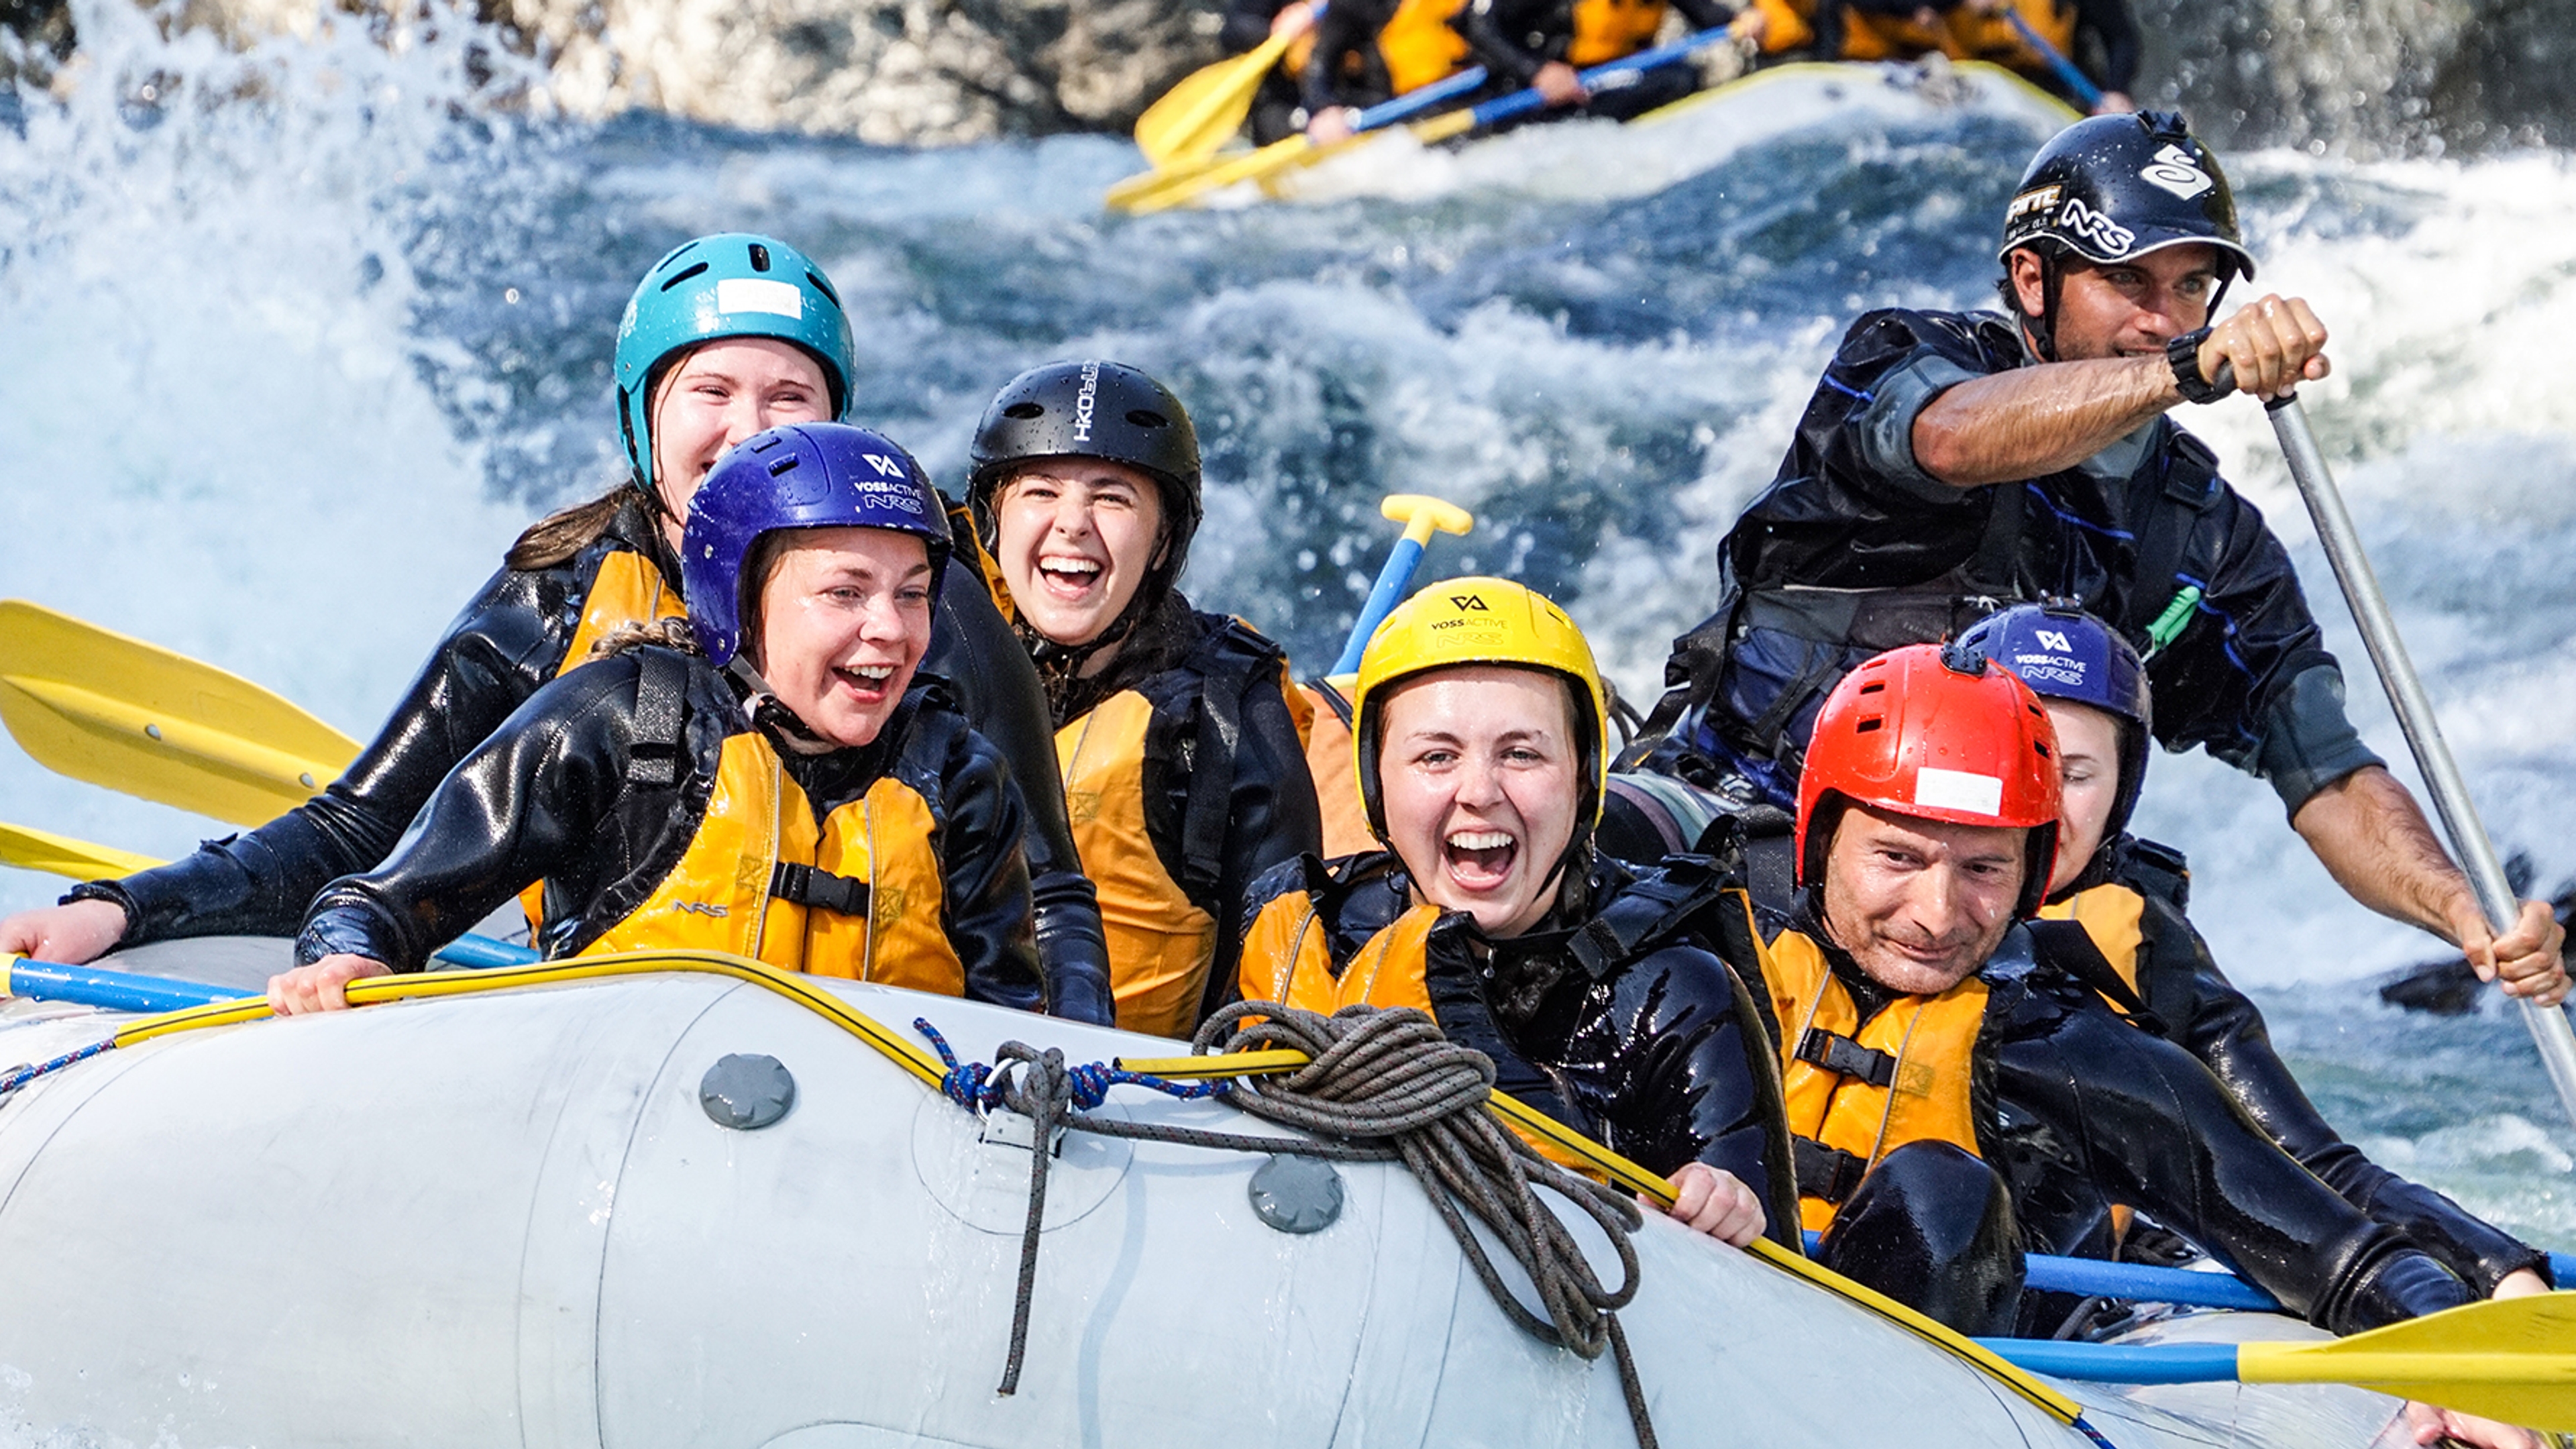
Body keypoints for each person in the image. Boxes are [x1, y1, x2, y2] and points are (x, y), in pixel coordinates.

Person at [1, 234, 1112, 1024]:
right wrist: (123, 908)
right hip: (600, 1016)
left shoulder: (926, 598)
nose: (747, 429)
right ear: (646, 416)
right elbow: (361, 833)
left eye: (791, 399)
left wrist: (1087, 1079)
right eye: (711, 391)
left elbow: (1049, 894)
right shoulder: (561, 592)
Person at [1633, 110, 2565, 1009]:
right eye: (2133, 284)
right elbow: (1955, 441)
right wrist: (2188, 372)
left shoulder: (2208, 539)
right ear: (2032, 279)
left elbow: (2326, 774)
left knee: (2161, 965)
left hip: (1972, 918)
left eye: (2193, 288)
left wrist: (2463, 911)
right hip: (1735, 831)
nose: (2168, 318)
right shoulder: (1902, 360)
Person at [1737, 641, 2540, 1448]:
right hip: (1715, 1315)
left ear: (2031, 869)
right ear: (1820, 834)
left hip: (1968, 1360)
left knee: (1943, 1199)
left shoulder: (2069, 1039)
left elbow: (2330, 1238)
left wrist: (2466, 1361)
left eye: (1985, 869)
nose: (1938, 915)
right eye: (1898, 857)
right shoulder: (1704, 950)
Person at [270, 423, 1049, 1018]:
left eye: (912, 593)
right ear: (740, 601)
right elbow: (371, 906)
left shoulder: (957, 776)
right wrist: (351, 960)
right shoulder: (620, 720)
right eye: (845, 593)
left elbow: (1013, 1016)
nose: (891, 628)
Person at [1952, 604, 2557, 1298]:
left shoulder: (2146, 946)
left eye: (2078, 774)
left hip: (2054, 1299)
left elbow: (2304, 1168)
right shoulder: (1864, 898)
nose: (2042, 795)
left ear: (2123, 792)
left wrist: (2500, 1269)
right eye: (2016, 755)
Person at [1236, 580, 1798, 1249]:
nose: (1479, 792)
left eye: (1522, 754)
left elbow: (1766, 1301)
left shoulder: (1674, 991)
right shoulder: (1308, 935)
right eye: (1436, 757)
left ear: (1586, 778)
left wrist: (1728, 1206)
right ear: (1375, 785)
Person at [965, 362, 1321, 1038]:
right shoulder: (921, 656)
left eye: (1113, 498)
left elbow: (1285, 990)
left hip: (1133, 1113)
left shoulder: (1227, 712)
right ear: (994, 520)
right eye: (1041, 492)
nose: (1072, 524)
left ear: (1162, 542)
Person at [1452, 0, 1737, 126]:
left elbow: (1709, 16)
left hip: (1620, 81)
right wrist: (1538, 72)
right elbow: (1480, 27)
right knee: (1677, 79)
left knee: (1681, 76)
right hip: (1542, 100)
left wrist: (1746, 23)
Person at [1297, 0, 1474, 145]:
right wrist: (1325, 108)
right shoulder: (1352, 6)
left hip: (1468, 94)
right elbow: (1319, 68)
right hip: (1402, 114)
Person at [1219, 0, 1323, 144]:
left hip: (1346, 97)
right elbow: (1234, 31)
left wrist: (1315, 12)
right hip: (1283, 97)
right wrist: (1278, 32)